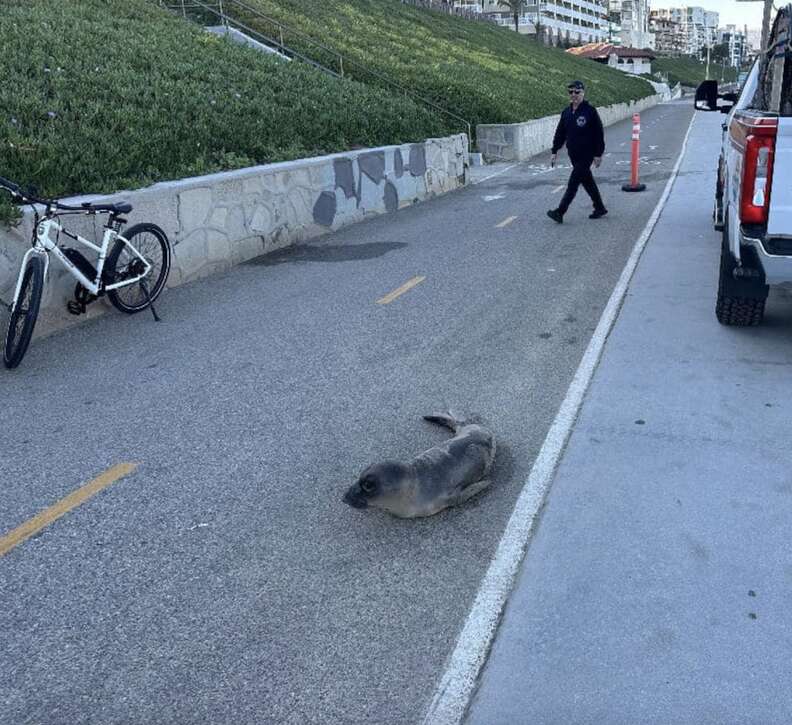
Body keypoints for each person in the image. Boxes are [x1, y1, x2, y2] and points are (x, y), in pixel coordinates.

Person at [546, 80, 607, 224]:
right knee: (588, 182)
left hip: (587, 154)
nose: (573, 95)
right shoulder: (566, 112)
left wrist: (598, 154)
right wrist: (554, 150)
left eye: (577, 92)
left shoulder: (590, 111)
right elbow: (560, 132)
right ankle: (599, 207)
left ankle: (560, 211)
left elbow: (599, 133)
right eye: (571, 92)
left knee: (573, 183)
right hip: (573, 154)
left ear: (583, 93)